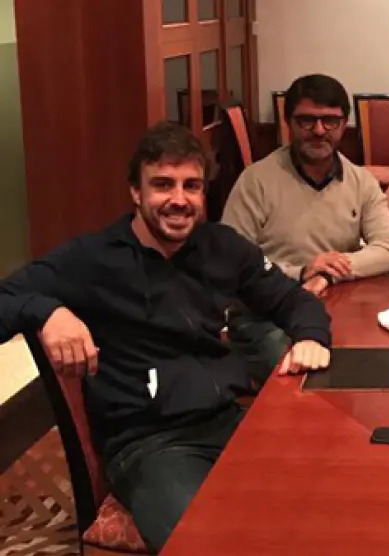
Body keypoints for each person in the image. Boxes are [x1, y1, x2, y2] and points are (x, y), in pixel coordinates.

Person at [0, 122, 333, 551]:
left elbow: (292, 299)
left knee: (324, 501)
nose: (179, 199)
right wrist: (47, 311)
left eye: (191, 186)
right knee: (208, 545)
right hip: (150, 444)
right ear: (136, 193)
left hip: (229, 420)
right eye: (162, 185)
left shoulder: (222, 247)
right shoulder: (94, 259)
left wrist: (311, 337)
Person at [221, 73, 389, 380]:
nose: (319, 131)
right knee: (310, 375)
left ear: (344, 125)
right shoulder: (256, 181)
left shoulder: (360, 181)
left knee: (383, 361)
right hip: (266, 317)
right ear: (289, 123)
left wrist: (330, 272)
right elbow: (229, 265)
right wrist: (302, 271)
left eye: (330, 121)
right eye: (307, 121)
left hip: (337, 307)